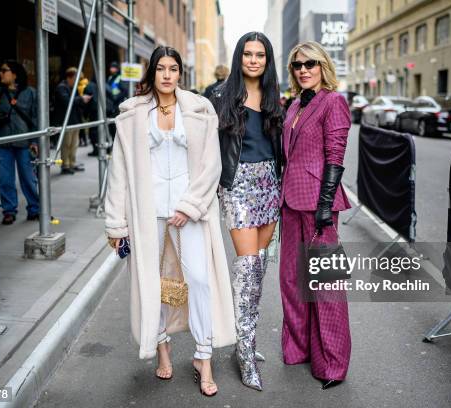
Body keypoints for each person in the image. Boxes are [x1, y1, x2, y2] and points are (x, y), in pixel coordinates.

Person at [104, 46, 236, 397]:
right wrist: (116, 224)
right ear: (152, 73)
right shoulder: (132, 114)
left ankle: (203, 357)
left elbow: (212, 164)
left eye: (173, 69)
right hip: (145, 214)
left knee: (199, 279)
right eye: (160, 68)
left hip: (188, 210)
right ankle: (162, 347)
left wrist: (190, 206)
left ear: (180, 73)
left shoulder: (198, 109)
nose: (166, 75)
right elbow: (118, 171)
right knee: (154, 282)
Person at [211, 32, 283, 391]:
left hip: (269, 184)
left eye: (260, 55)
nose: (254, 60)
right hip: (237, 185)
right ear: (239, 56)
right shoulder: (220, 95)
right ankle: (245, 353)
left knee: (259, 273)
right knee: (248, 267)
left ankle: (246, 339)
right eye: (248, 54)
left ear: (267, 61)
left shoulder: (274, 98)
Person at [279, 41, 352, 390]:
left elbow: (335, 155)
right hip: (290, 203)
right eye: (297, 65)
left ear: (323, 66)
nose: (304, 69)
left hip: (319, 204)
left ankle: (333, 363)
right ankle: (299, 349)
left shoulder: (333, 101)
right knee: (292, 283)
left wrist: (325, 204)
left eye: (311, 63)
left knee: (326, 285)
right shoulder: (294, 104)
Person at [0, 60, 39, 225]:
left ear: (14, 74)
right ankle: (9, 211)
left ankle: (34, 209)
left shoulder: (30, 93)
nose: (0, 73)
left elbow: (36, 118)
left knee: (29, 178)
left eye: (4, 70)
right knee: (4, 179)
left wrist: (35, 141)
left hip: (24, 143)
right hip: (2, 143)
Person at [54, 67, 92, 174]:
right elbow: (67, 101)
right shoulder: (61, 88)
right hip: (66, 120)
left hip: (74, 119)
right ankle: (65, 165)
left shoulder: (72, 87)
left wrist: (82, 100)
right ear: (70, 77)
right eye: (76, 78)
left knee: (74, 144)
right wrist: (81, 98)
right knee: (67, 144)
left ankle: (72, 163)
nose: (78, 81)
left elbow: (74, 102)